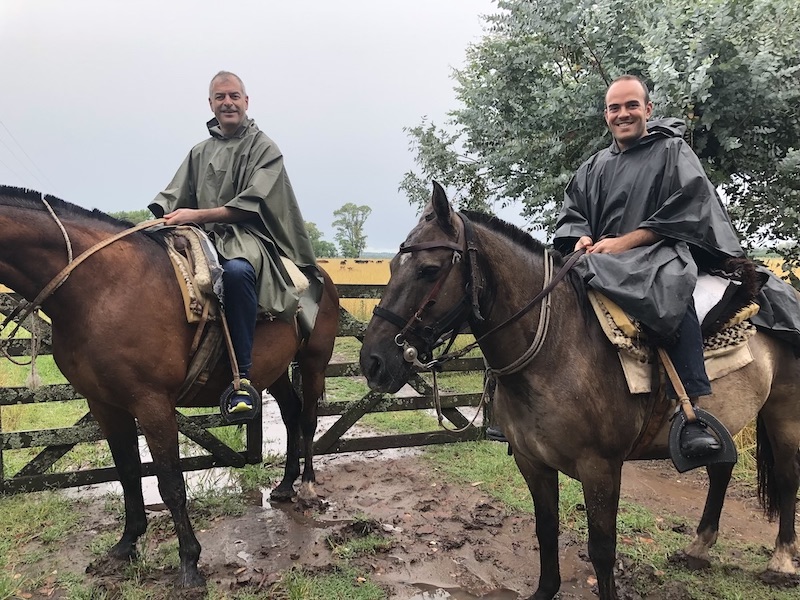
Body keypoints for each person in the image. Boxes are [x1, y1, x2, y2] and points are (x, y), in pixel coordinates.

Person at [551, 74, 800, 459]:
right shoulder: (594, 166)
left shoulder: (671, 152)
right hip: (600, 259)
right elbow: (574, 212)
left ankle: (692, 414)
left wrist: (626, 242)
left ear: (647, 109)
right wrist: (579, 237)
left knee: (670, 295)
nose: (623, 114)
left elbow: (690, 204)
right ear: (606, 115)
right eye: (615, 108)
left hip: (661, 254)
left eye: (631, 105)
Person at [150, 71, 321, 415]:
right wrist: (158, 217)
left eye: (234, 96)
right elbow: (173, 196)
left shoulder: (265, 148)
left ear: (246, 101)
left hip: (248, 236)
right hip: (201, 235)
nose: (227, 102)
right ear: (211, 104)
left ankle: (241, 380)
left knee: (237, 272)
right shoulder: (200, 152)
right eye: (220, 97)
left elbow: (252, 205)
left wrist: (195, 216)